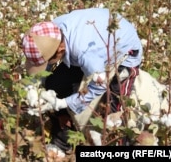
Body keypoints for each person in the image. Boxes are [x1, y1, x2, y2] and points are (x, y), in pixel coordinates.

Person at [22, 8, 143, 152]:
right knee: (56, 83)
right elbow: (46, 65)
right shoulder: (51, 32)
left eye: (48, 60)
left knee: (114, 113)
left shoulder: (86, 54)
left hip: (125, 53)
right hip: (95, 39)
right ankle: (63, 139)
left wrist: (65, 103)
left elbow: (99, 85)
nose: (47, 64)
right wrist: (33, 87)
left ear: (60, 50)